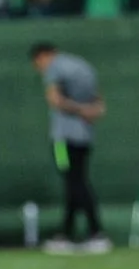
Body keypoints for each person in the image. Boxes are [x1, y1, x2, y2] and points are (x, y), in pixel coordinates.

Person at [29, 42, 111, 254]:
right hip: (85, 136)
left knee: (74, 183)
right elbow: (100, 105)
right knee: (76, 182)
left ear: (42, 56)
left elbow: (55, 100)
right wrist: (89, 110)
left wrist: (80, 109)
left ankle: (95, 232)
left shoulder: (55, 68)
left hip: (63, 138)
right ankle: (67, 233)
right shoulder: (83, 66)